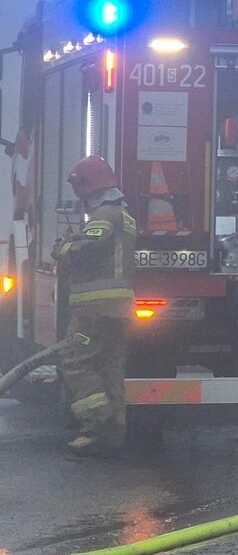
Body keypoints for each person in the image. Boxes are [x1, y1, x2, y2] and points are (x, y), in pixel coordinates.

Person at [55, 156, 136, 456]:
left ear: (90, 190)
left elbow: (88, 251)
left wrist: (63, 248)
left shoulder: (104, 216)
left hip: (95, 310)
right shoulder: (125, 217)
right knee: (110, 368)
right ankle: (114, 435)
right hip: (119, 310)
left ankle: (97, 426)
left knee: (74, 360)